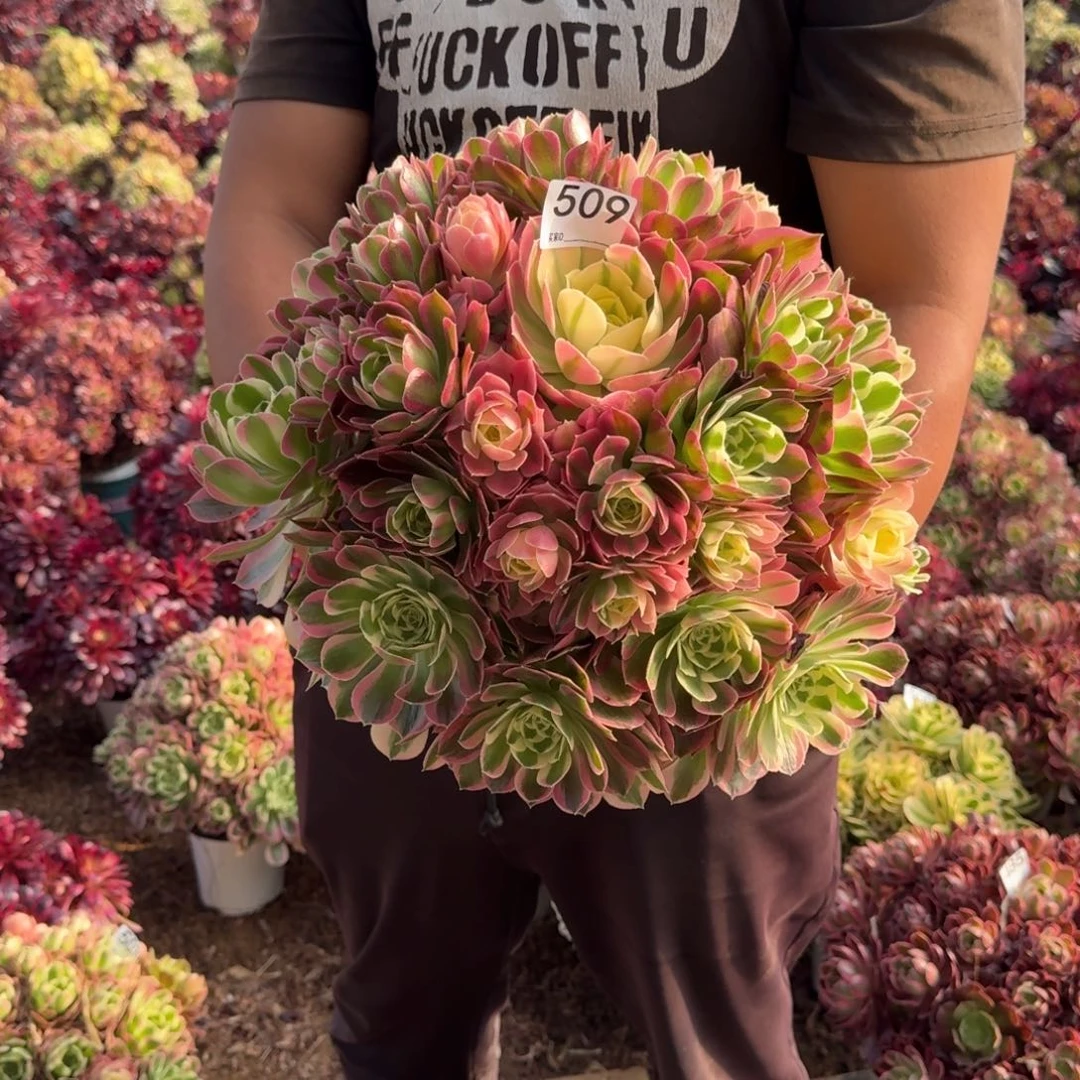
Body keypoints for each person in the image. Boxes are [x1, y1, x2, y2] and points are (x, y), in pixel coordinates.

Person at [203, 2, 1024, 1077]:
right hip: (388, 600)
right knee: (399, 1016)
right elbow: (274, 203)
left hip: (706, 650)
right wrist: (340, 511)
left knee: (714, 1039)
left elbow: (918, 296)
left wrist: (703, 611)